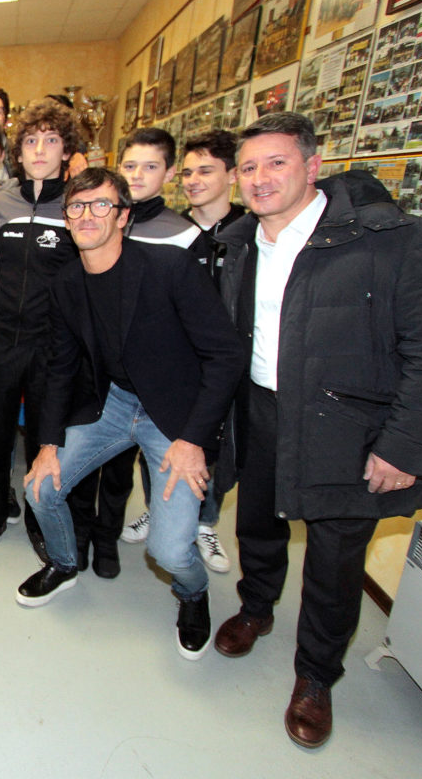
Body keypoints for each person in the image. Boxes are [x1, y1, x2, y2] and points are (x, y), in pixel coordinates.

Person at [212, 112, 422, 748]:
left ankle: (316, 675)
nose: (260, 177)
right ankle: (256, 608)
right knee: (257, 522)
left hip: (348, 424)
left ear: (313, 166)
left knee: (334, 560)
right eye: (248, 167)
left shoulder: (392, 240)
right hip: (261, 410)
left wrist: (406, 447)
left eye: (276, 162)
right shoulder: (239, 242)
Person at [19, 167, 244, 664]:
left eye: (101, 205)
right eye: (76, 206)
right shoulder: (66, 284)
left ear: (123, 216)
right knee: (39, 488)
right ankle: (64, 563)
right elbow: (60, 367)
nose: (87, 215)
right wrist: (48, 444)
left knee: (170, 552)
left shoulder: (170, 267)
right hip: (115, 403)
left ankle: (192, 592)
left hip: (175, 418)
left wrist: (193, 440)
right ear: (66, 219)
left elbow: (226, 356)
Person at [0, 99, 78, 560]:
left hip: (50, 345)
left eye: (51, 140)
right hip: (1, 339)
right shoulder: (0, 203)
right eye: (31, 140)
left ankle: (39, 520)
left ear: (66, 150)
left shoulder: (77, 205)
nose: (39, 150)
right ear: (18, 152)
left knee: (43, 439)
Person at [98, 127, 202, 573]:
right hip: (106, 369)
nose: (137, 175)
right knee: (102, 461)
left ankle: (113, 537)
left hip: (157, 379)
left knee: (136, 466)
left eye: (150, 166)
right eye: (130, 165)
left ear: (170, 173)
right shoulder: (101, 218)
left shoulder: (183, 234)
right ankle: (92, 537)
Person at [177, 129, 246, 572]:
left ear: (232, 175)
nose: (193, 181)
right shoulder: (174, 229)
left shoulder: (248, 232)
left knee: (217, 445)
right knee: (166, 436)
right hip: (176, 357)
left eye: (205, 171)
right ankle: (163, 510)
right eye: (187, 173)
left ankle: (205, 522)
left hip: (225, 360)